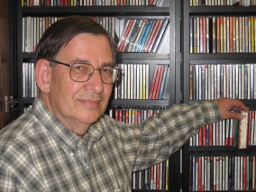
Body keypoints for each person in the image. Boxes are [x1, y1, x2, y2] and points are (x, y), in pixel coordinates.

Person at [0, 15, 249, 191]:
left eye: (105, 70)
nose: (98, 86)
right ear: (45, 75)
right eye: (80, 68)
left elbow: (154, 136)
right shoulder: (10, 162)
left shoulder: (105, 133)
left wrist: (214, 108)